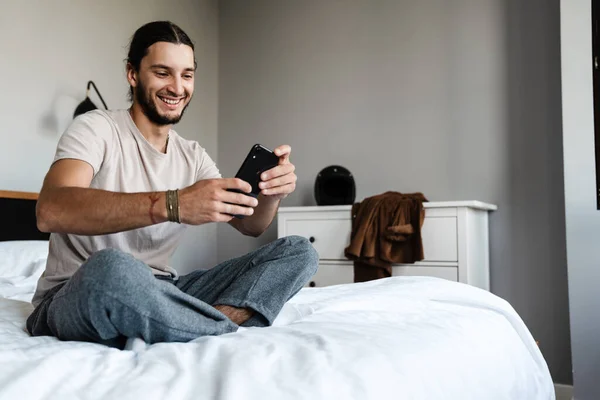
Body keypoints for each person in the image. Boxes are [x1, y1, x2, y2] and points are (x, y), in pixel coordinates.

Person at [26, 21, 318, 348]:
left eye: (187, 75)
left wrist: (271, 195)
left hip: (165, 289)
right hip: (76, 291)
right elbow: (51, 210)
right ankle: (217, 325)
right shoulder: (95, 128)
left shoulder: (192, 155)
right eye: (163, 73)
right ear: (132, 74)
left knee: (299, 251)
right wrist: (174, 203)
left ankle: (195, 323)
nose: (178, 88)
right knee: (112, 269)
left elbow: (250, 225)